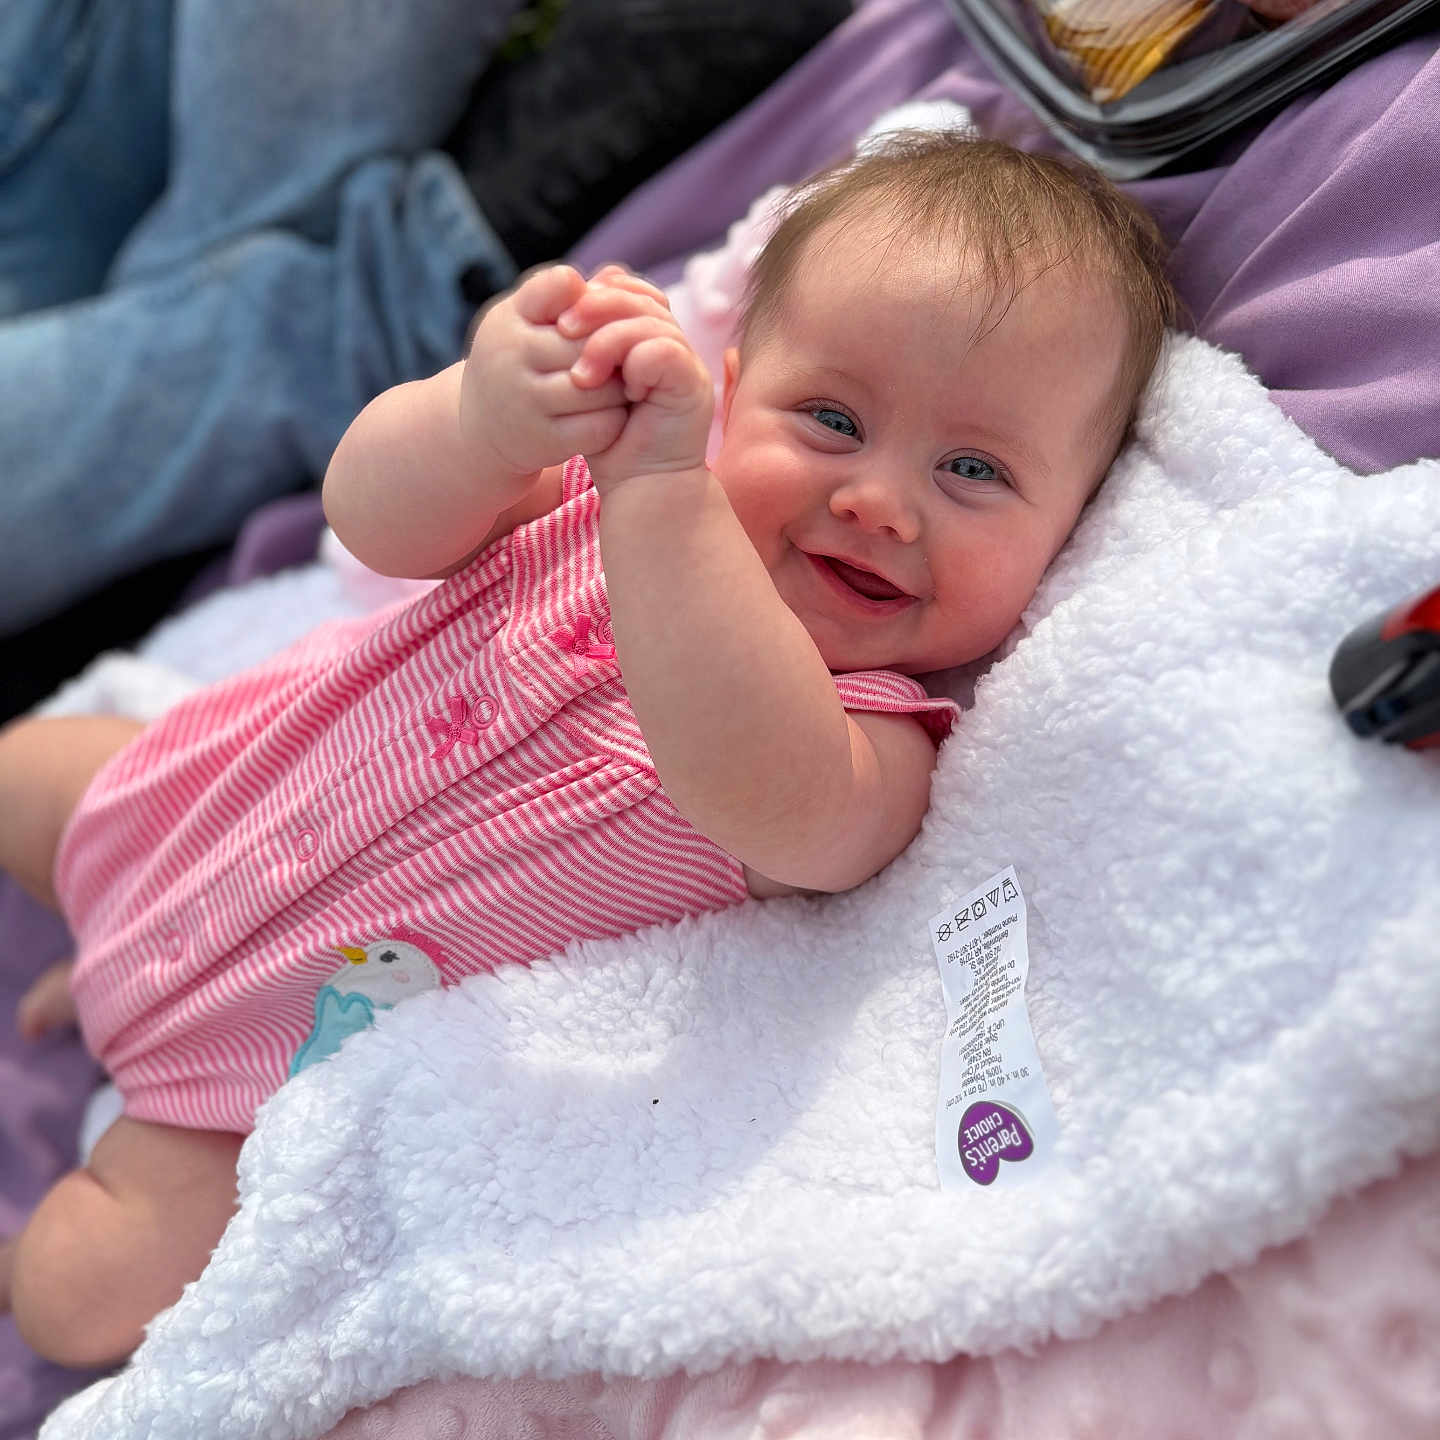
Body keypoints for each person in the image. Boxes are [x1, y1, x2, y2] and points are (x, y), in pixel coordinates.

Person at [0, 132, 1177, 1369]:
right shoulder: (576, 494)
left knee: (86, 1298)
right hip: (174, 801)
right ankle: (104, 945)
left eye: (974, 470)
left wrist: (666, 502)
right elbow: (374, 519)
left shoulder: (873, 743)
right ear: (731, 396)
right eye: (831, 420)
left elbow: (768, 802)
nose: (881, 501)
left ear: (1068, 534)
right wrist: (481, 419)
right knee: (24, 763)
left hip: (257, 1060)